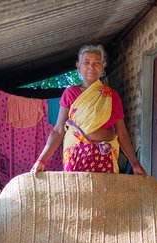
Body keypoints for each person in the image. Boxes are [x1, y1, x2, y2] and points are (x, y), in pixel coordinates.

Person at [30, 45, 147, 177]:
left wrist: (135, 163)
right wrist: (42, 159)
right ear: (78, 67)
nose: (91, 67)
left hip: (105, 156)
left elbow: (122, 133)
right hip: (76, 157)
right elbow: (58, 130)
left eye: (97, 63)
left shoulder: (111, 96)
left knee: (104, 196)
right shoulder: (70, 93)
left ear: (103, 67)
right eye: (86, 63)